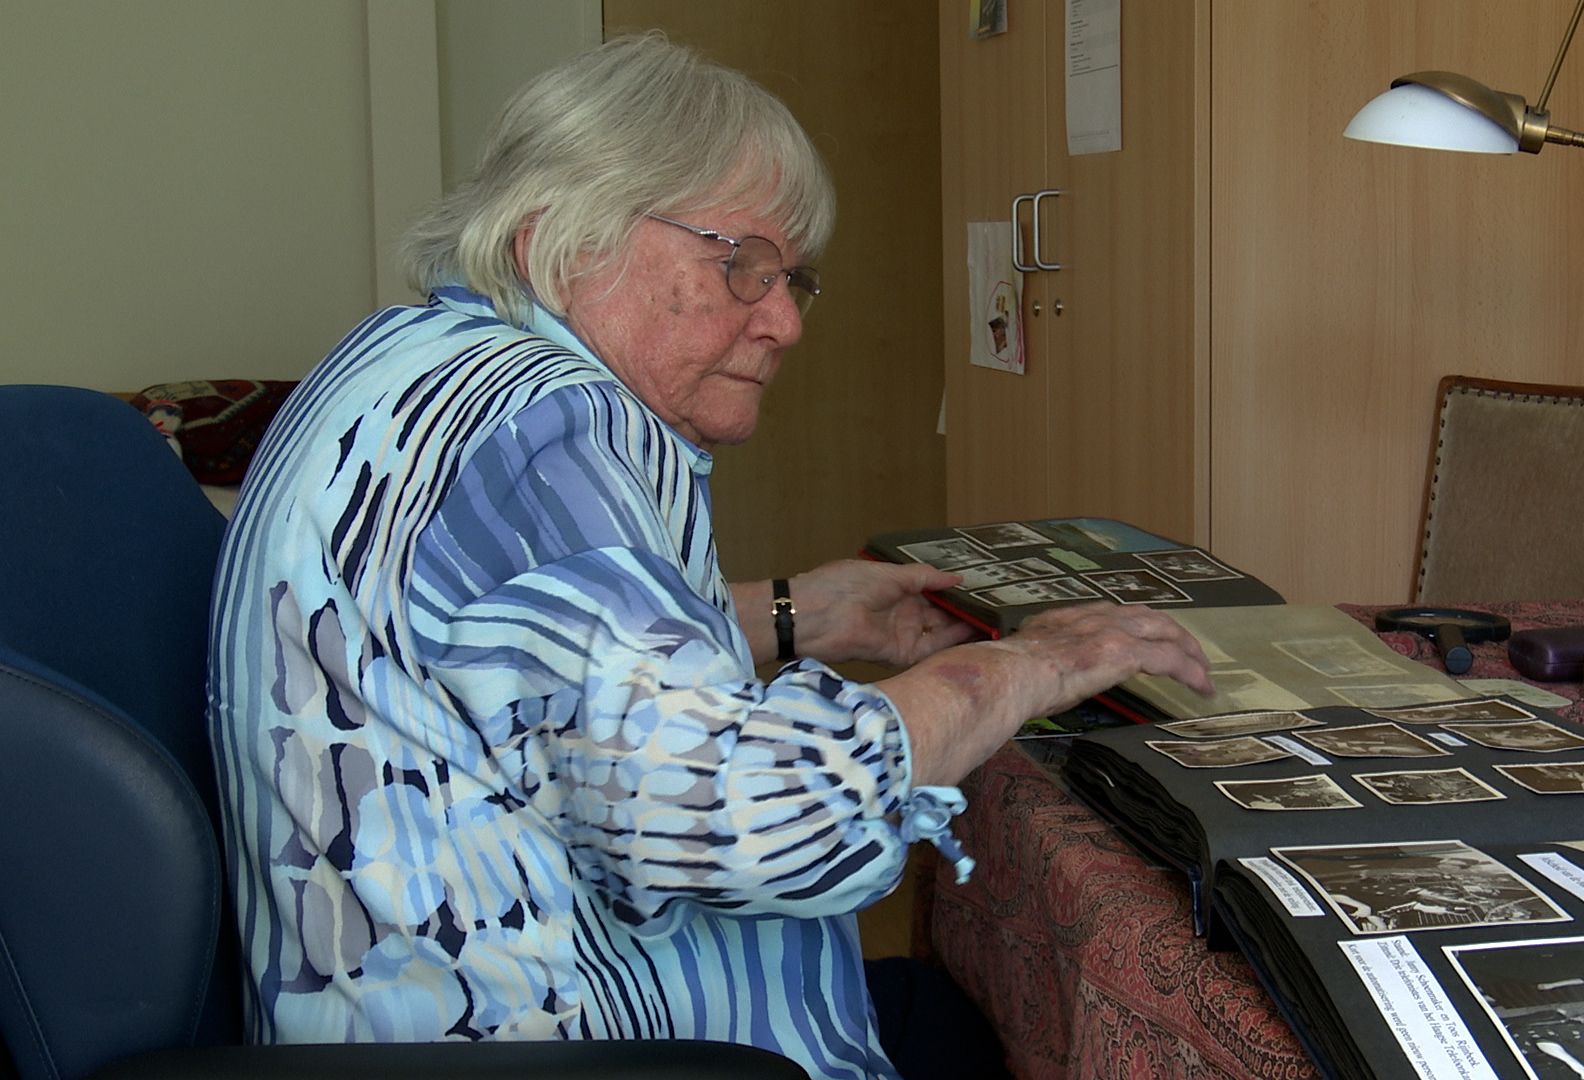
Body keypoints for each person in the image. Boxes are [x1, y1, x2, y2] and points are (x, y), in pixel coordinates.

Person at [206, 32, 1212, 1080]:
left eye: (790, 279)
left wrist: (801, 613)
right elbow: (744, 817)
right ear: (558, 240)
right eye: (740, 265)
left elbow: (519, 660)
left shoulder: (416, 358)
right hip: (553, 1040)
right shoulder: (549, 428)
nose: (783, 321)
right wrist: (1028, 664)